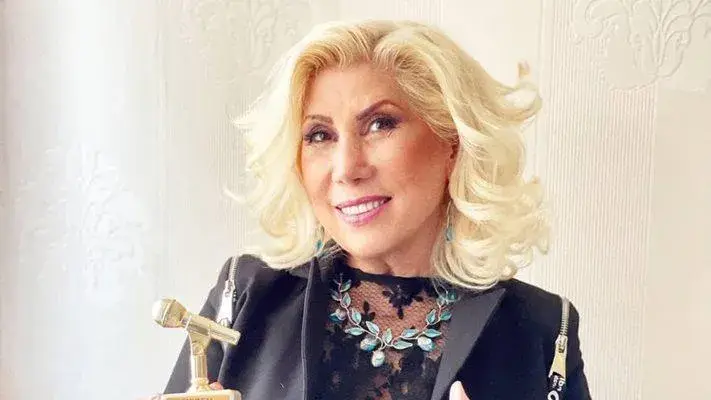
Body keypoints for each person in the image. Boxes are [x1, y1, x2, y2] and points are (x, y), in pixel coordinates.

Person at [162, 19, 591, 400]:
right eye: (319, 135)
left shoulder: (543, 328)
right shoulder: (243, 294)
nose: (347, 168)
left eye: (380, 124)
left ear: (453, 142)